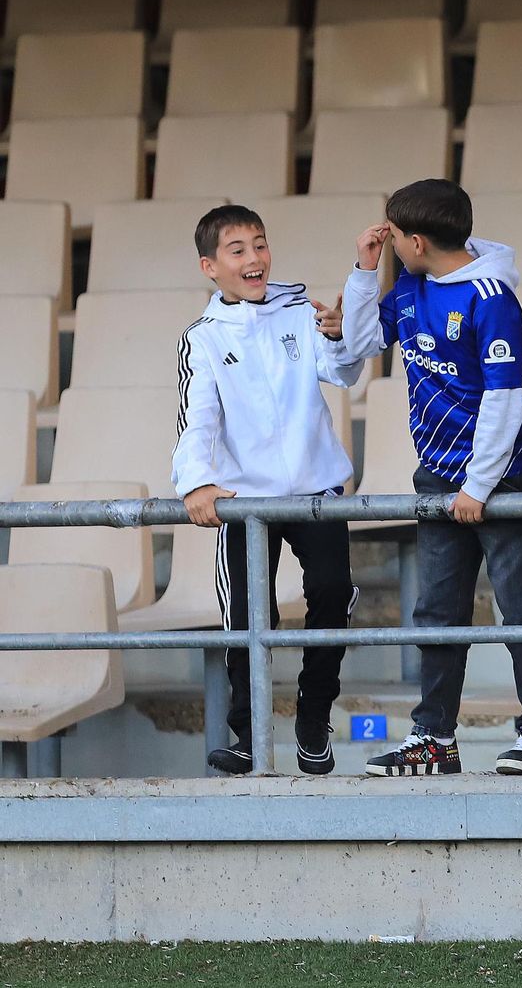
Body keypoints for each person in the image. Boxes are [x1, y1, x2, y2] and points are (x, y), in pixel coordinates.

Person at [335, 179, 522, 777]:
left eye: (391, 238)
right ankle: (434, 738)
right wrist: (364, 271)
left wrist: (479, 486)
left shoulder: (492, 298)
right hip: (437, 477)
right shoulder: (410, 286)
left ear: (415, 239)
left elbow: (506, 400)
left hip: (501, 479)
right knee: (437, 610)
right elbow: (358, 346)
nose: (389, 247)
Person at [173, 204, 361, 776]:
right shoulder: (202, 339)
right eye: (238, 250)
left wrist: (338, 332)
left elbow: (345, 371)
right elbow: (196, 417)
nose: (254, 259)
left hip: (316, 489)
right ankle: (250, 733)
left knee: (333, 592)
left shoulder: (300, 308)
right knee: (249, 615)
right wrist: (196, 483)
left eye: (260, 244)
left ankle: (313, 716)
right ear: (211, 266)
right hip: (243, 501)